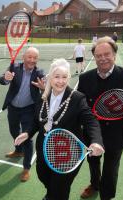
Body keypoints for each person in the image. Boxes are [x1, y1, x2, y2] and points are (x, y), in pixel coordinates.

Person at [14, 58, 105, 200]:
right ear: (50, 78)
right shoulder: (43, 97)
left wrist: (96, 141)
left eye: (64, 77)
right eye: (57, 77)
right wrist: (27, 133)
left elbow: (90, 121)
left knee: (60, 189)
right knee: (43, 176)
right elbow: (35, 121)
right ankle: (51, 194)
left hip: (67, 153)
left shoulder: (77, 98)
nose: (60, 81)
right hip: (45, 148)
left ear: (69, 78)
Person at [78, 36, 123, 200]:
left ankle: (107, 196)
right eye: (98, 56)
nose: (103, 58)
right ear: (94, 58)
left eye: (106, 54)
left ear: (114, 54)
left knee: (111, 169)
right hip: (93, 133)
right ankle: (95, 185)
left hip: (116, 134)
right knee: (93, 163)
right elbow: (79, 103)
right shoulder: (85, 78)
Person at [0, 47, 46, 182]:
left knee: (27, 137)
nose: (32, 60)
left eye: (35, 58)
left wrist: (43, 89)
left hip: (29, 110)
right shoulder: (14, 67)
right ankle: (18, 150)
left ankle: (26, 168)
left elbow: (46, 91)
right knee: (14, 131)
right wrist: (6, 79)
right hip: (13, 108)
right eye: (29, 57)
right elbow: (4, 79)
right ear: (24, 57)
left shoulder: (39, 72)